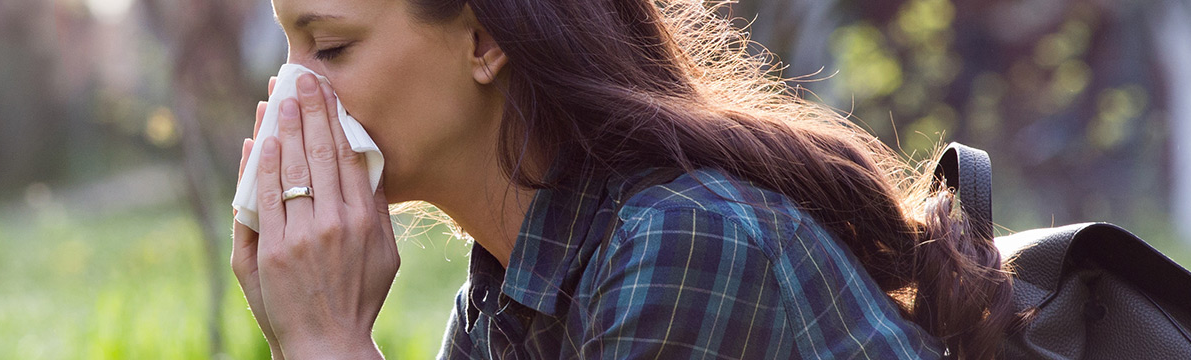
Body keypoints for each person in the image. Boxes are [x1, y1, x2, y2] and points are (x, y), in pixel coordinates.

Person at [228, 0, 1014, 359]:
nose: (293, 94)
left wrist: (327, 342)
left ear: (482, 39)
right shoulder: (503, 302)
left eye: (328, 48)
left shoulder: (681, 245)